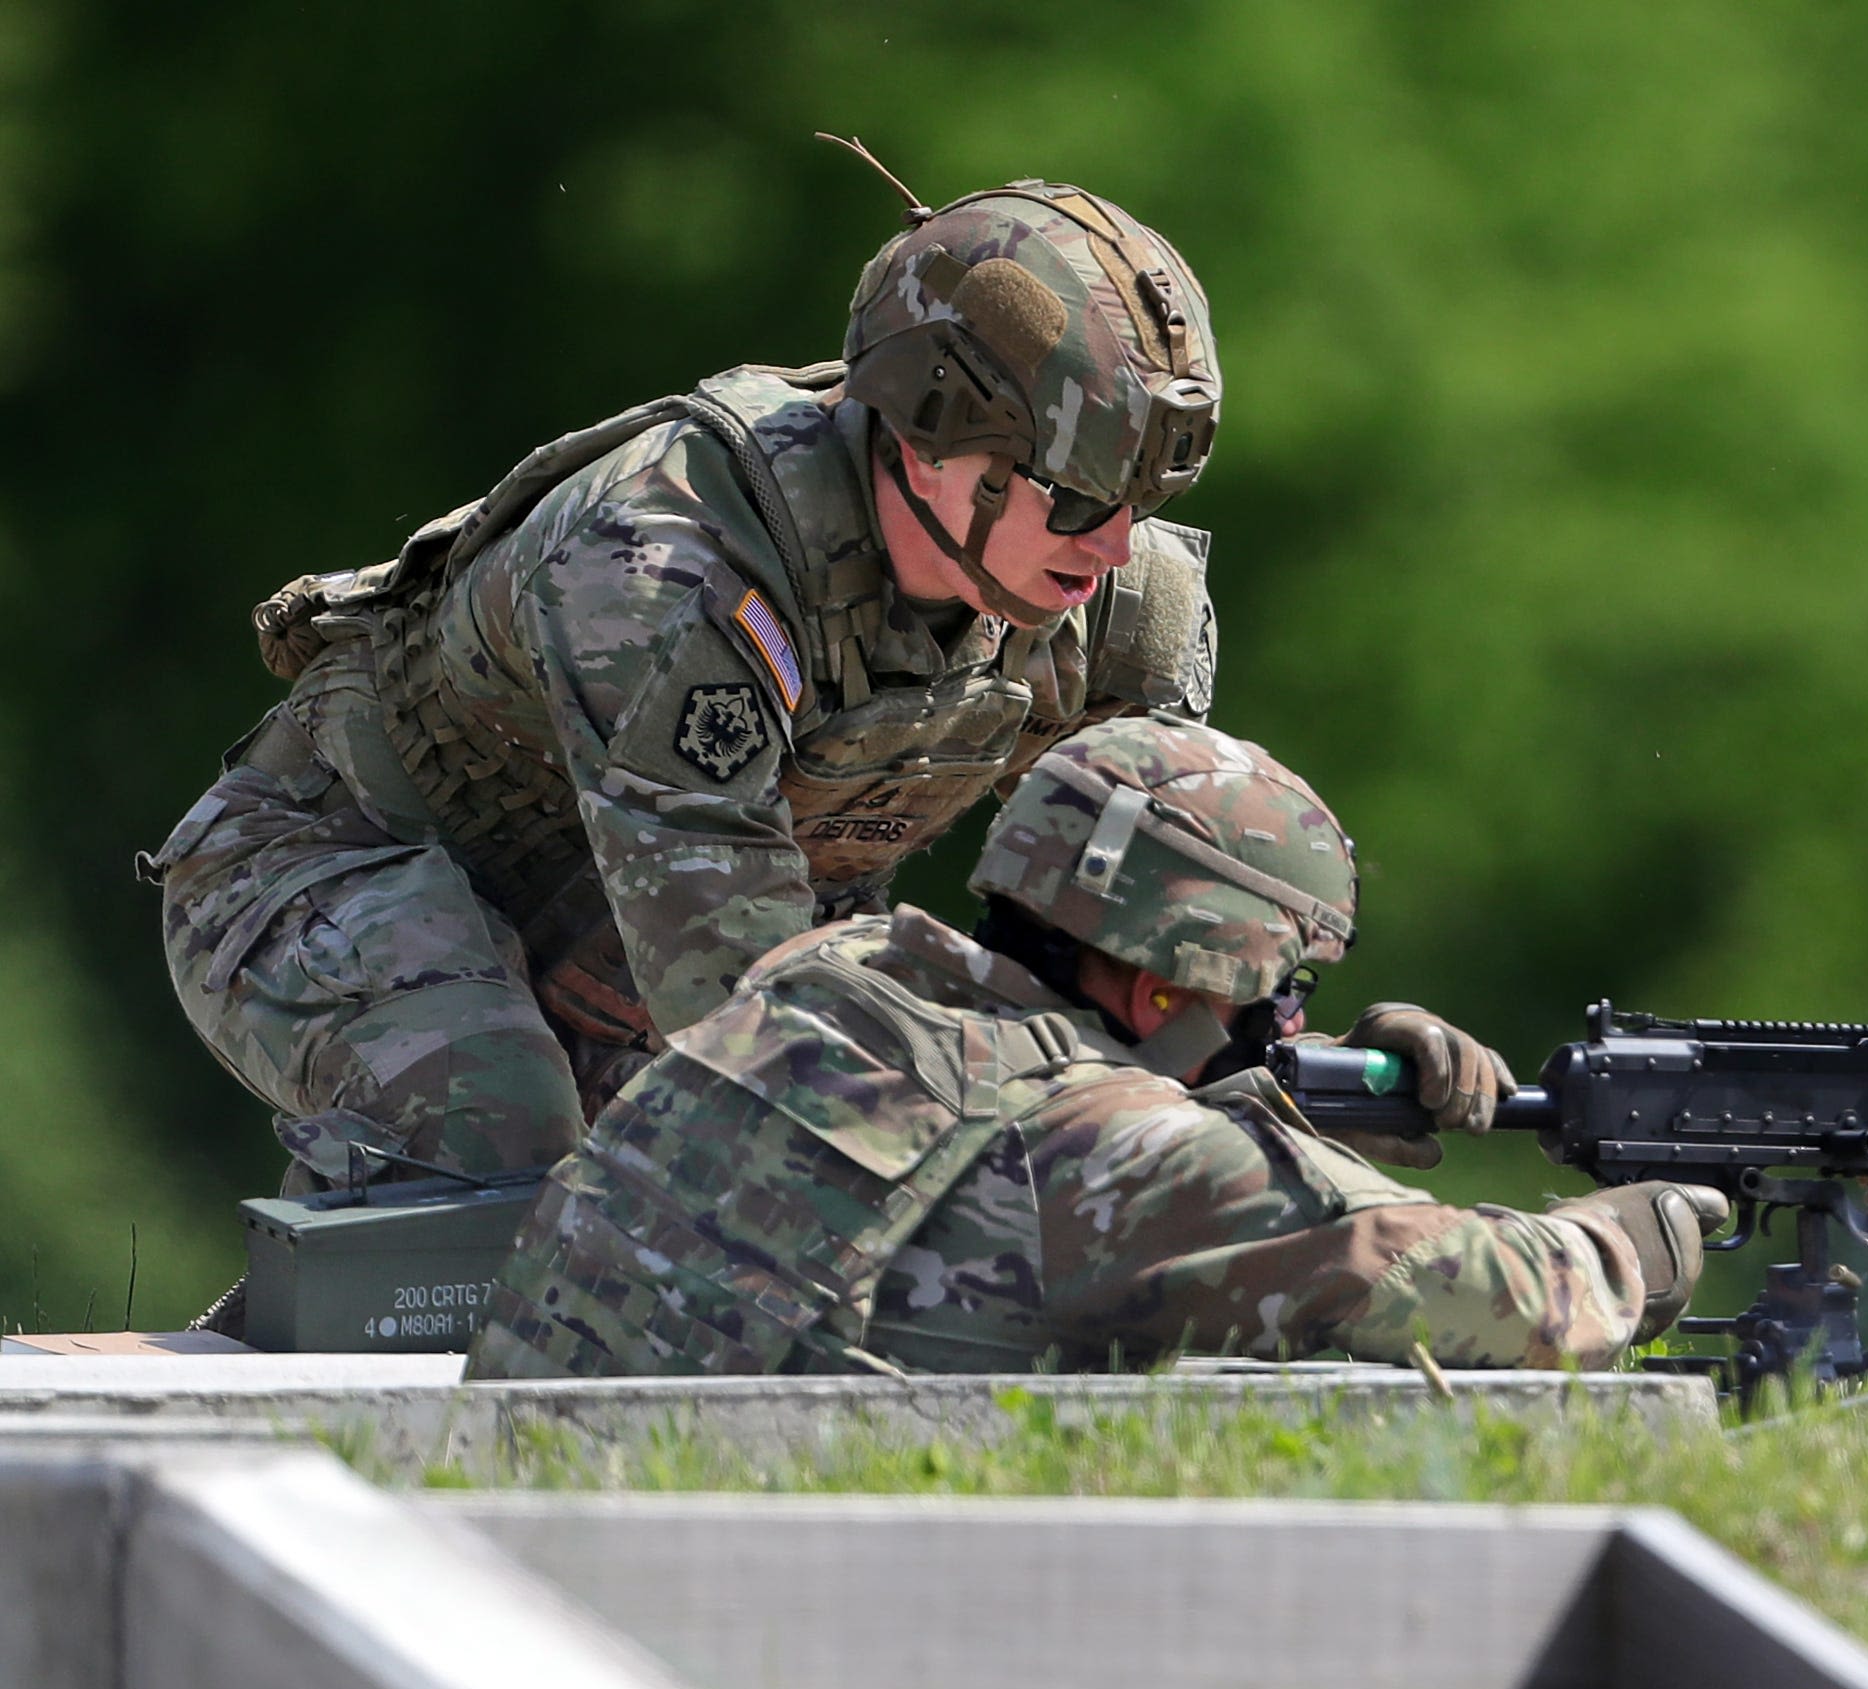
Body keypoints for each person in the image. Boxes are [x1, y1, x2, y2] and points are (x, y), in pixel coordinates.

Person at [147, 167, 1236, 1192]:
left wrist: (1262, 1072)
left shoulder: (1115, 602)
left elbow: (1152, 948)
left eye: (1140, 499)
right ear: (934, 438)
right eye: (1082, 497)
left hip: (640, 960)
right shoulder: (669, 565)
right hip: (342, 872)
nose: (1113, 547)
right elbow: (745, 1020)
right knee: (501, 1131)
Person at [466, 716, 1728, 1377]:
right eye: (1276, 986)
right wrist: (1644, 1233)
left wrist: (1288, 1085)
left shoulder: (826, 977)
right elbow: (1503, 1296)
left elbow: (1035, 1131)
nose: (1285, 1020)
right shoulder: (1107, 1152)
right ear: (1147, 975)